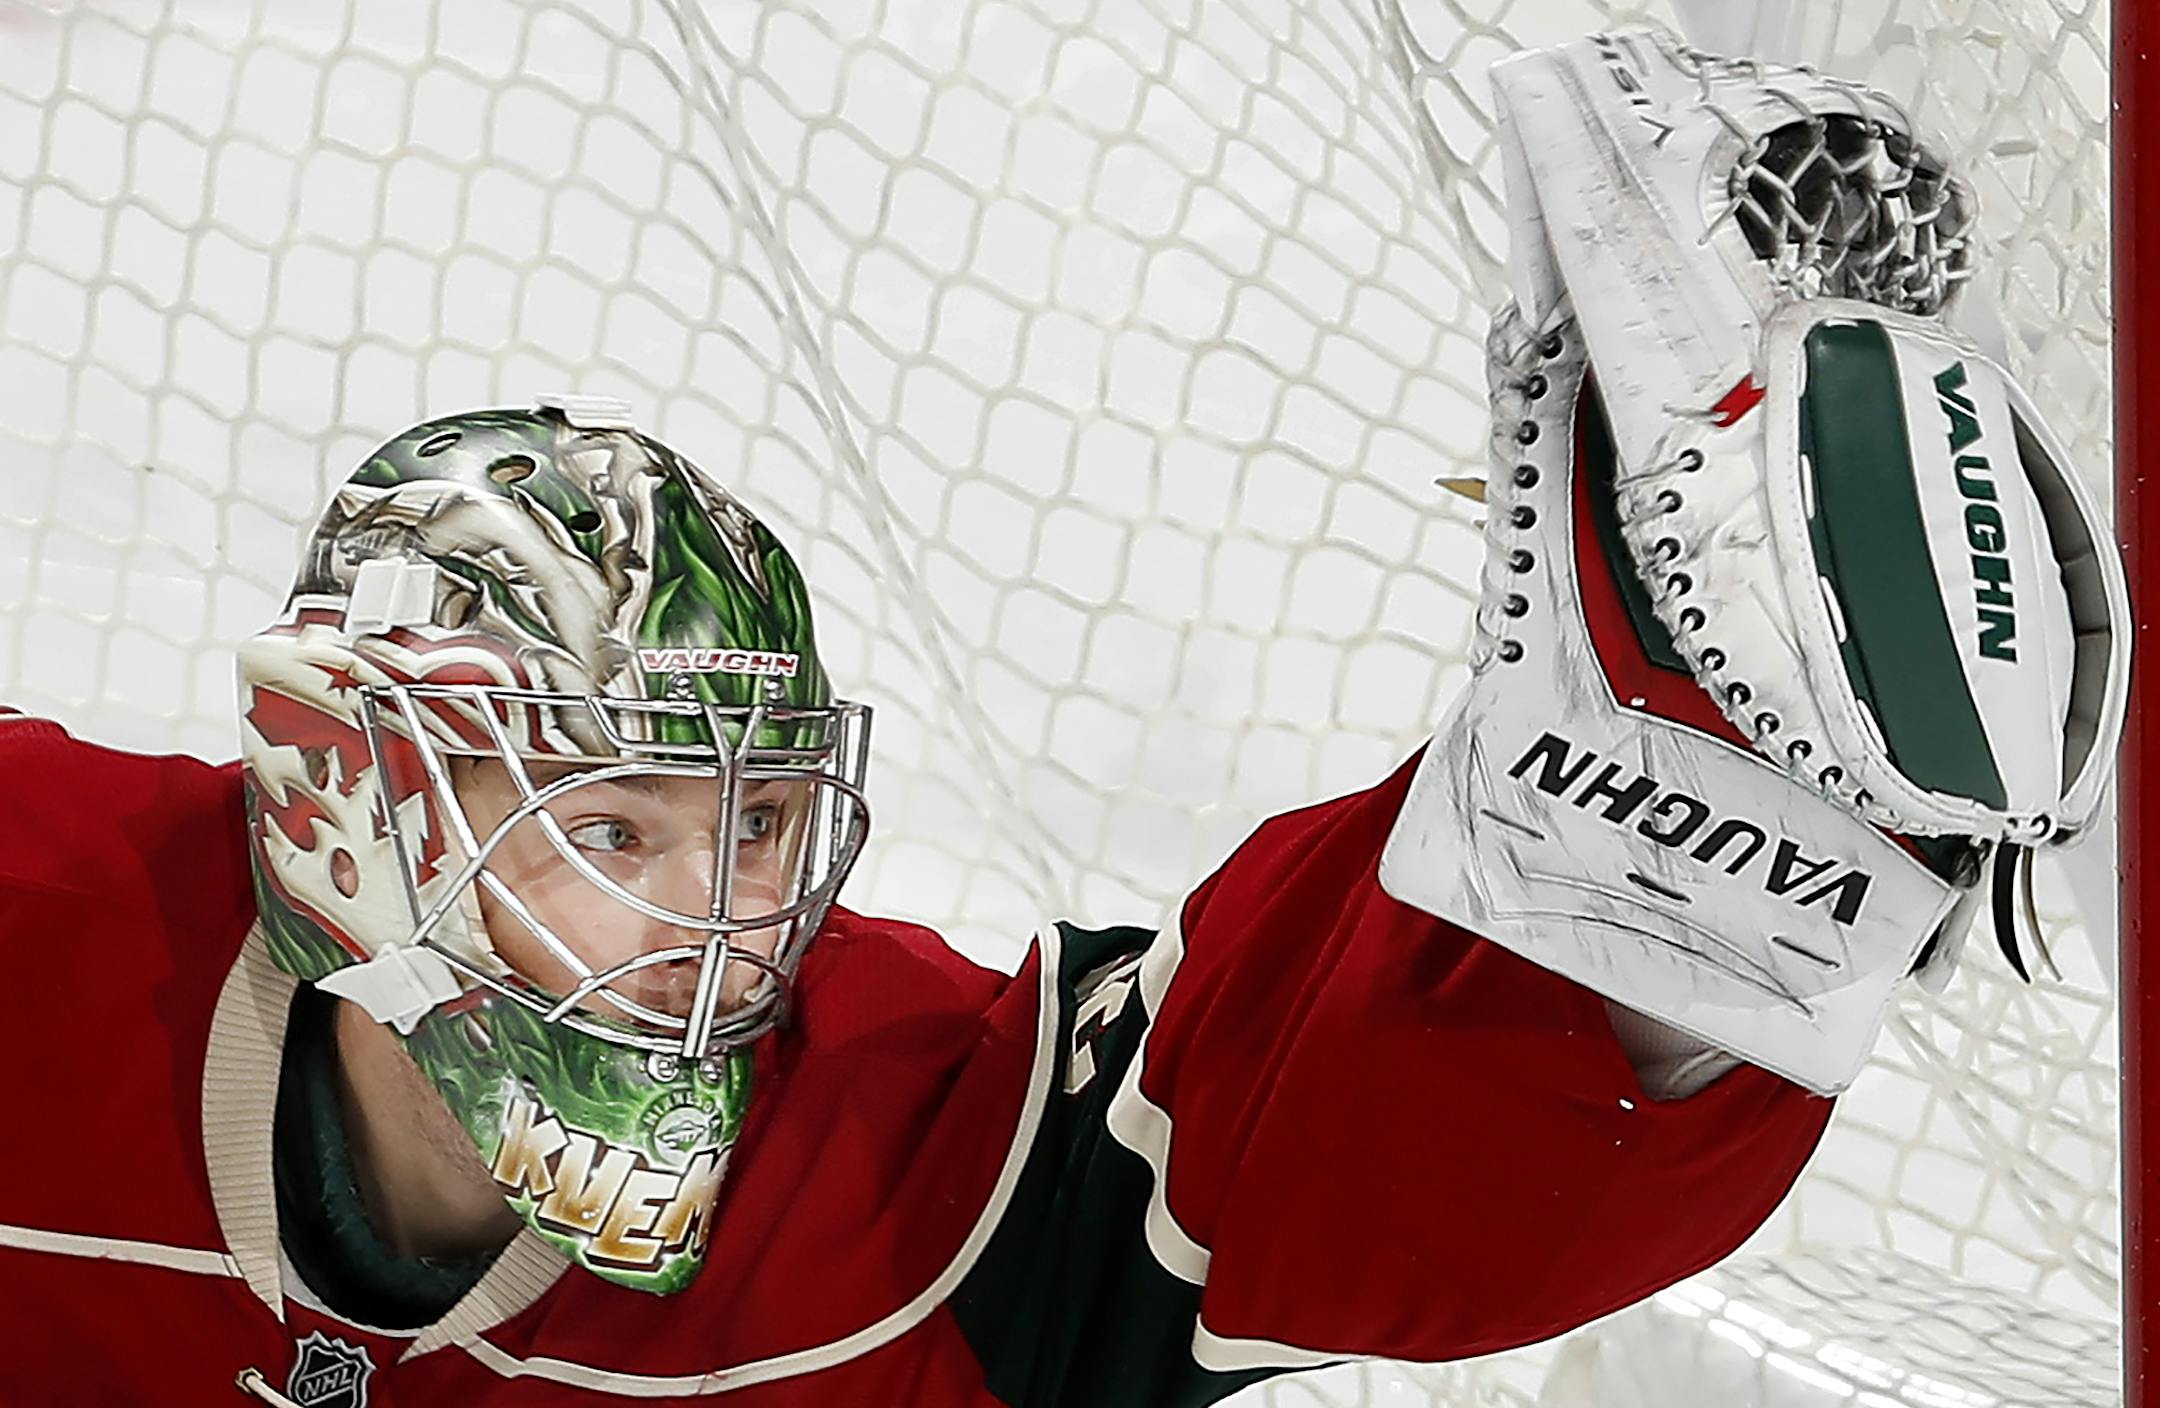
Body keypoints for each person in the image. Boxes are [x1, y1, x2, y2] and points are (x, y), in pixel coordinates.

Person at [0, 33, 2125, 1408]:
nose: (726, 928)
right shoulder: (43, 939)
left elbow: (1284, 1145)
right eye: (620, 829)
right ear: (356, 810)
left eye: (755, 827)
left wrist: (1661, 849)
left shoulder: (887, 1174)